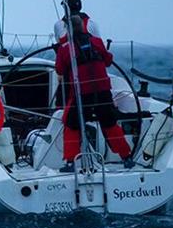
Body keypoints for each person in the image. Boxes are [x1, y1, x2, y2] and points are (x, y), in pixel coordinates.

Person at [55, 15, 133, 172]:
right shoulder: (96, 43)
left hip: (82, 94)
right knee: (110, 124)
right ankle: (127, 158)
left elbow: (59, 70)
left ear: (68, 30)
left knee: (71, 125)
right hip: (103, 93)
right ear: (83, 27)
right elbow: (108, 60)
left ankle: (70, 163)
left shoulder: (65, 49)